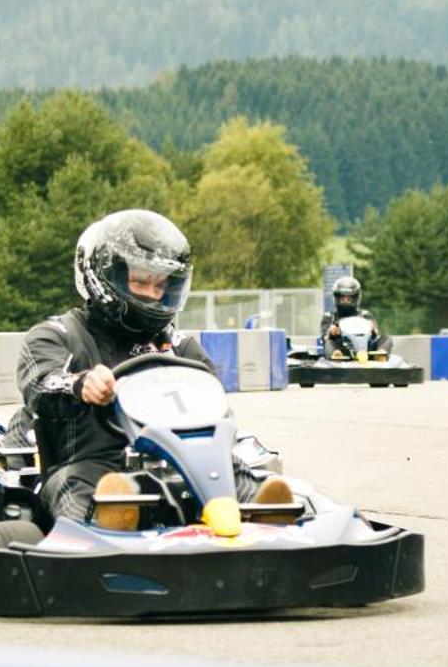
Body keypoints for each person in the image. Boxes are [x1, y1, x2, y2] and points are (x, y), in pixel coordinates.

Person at [15, 208, 290, 530]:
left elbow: (214, 406)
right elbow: (42, 384)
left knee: (235, 471)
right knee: (81, 489)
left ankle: (268, 513)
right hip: (91, 465)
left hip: (184, 465)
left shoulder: (180, 346)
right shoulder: (57, 335)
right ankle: (111, 522)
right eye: (140, 281)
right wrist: (81, 384)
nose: (152, 294)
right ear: (104, 277)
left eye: (160, 285)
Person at [319, 274, 389, 357]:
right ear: (337, 298)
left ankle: (380, 355)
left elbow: (376, 335)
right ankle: (336, 355)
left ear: (356, 298)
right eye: (342, 299)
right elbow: (324, 337)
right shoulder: (329, 317)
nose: (345, 301)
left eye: (348, 299)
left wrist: (373, 329)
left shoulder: (365, 315)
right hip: (342, 350)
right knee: (329, 342)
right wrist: (332, 332)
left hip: (365, 349)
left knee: (386, 338)